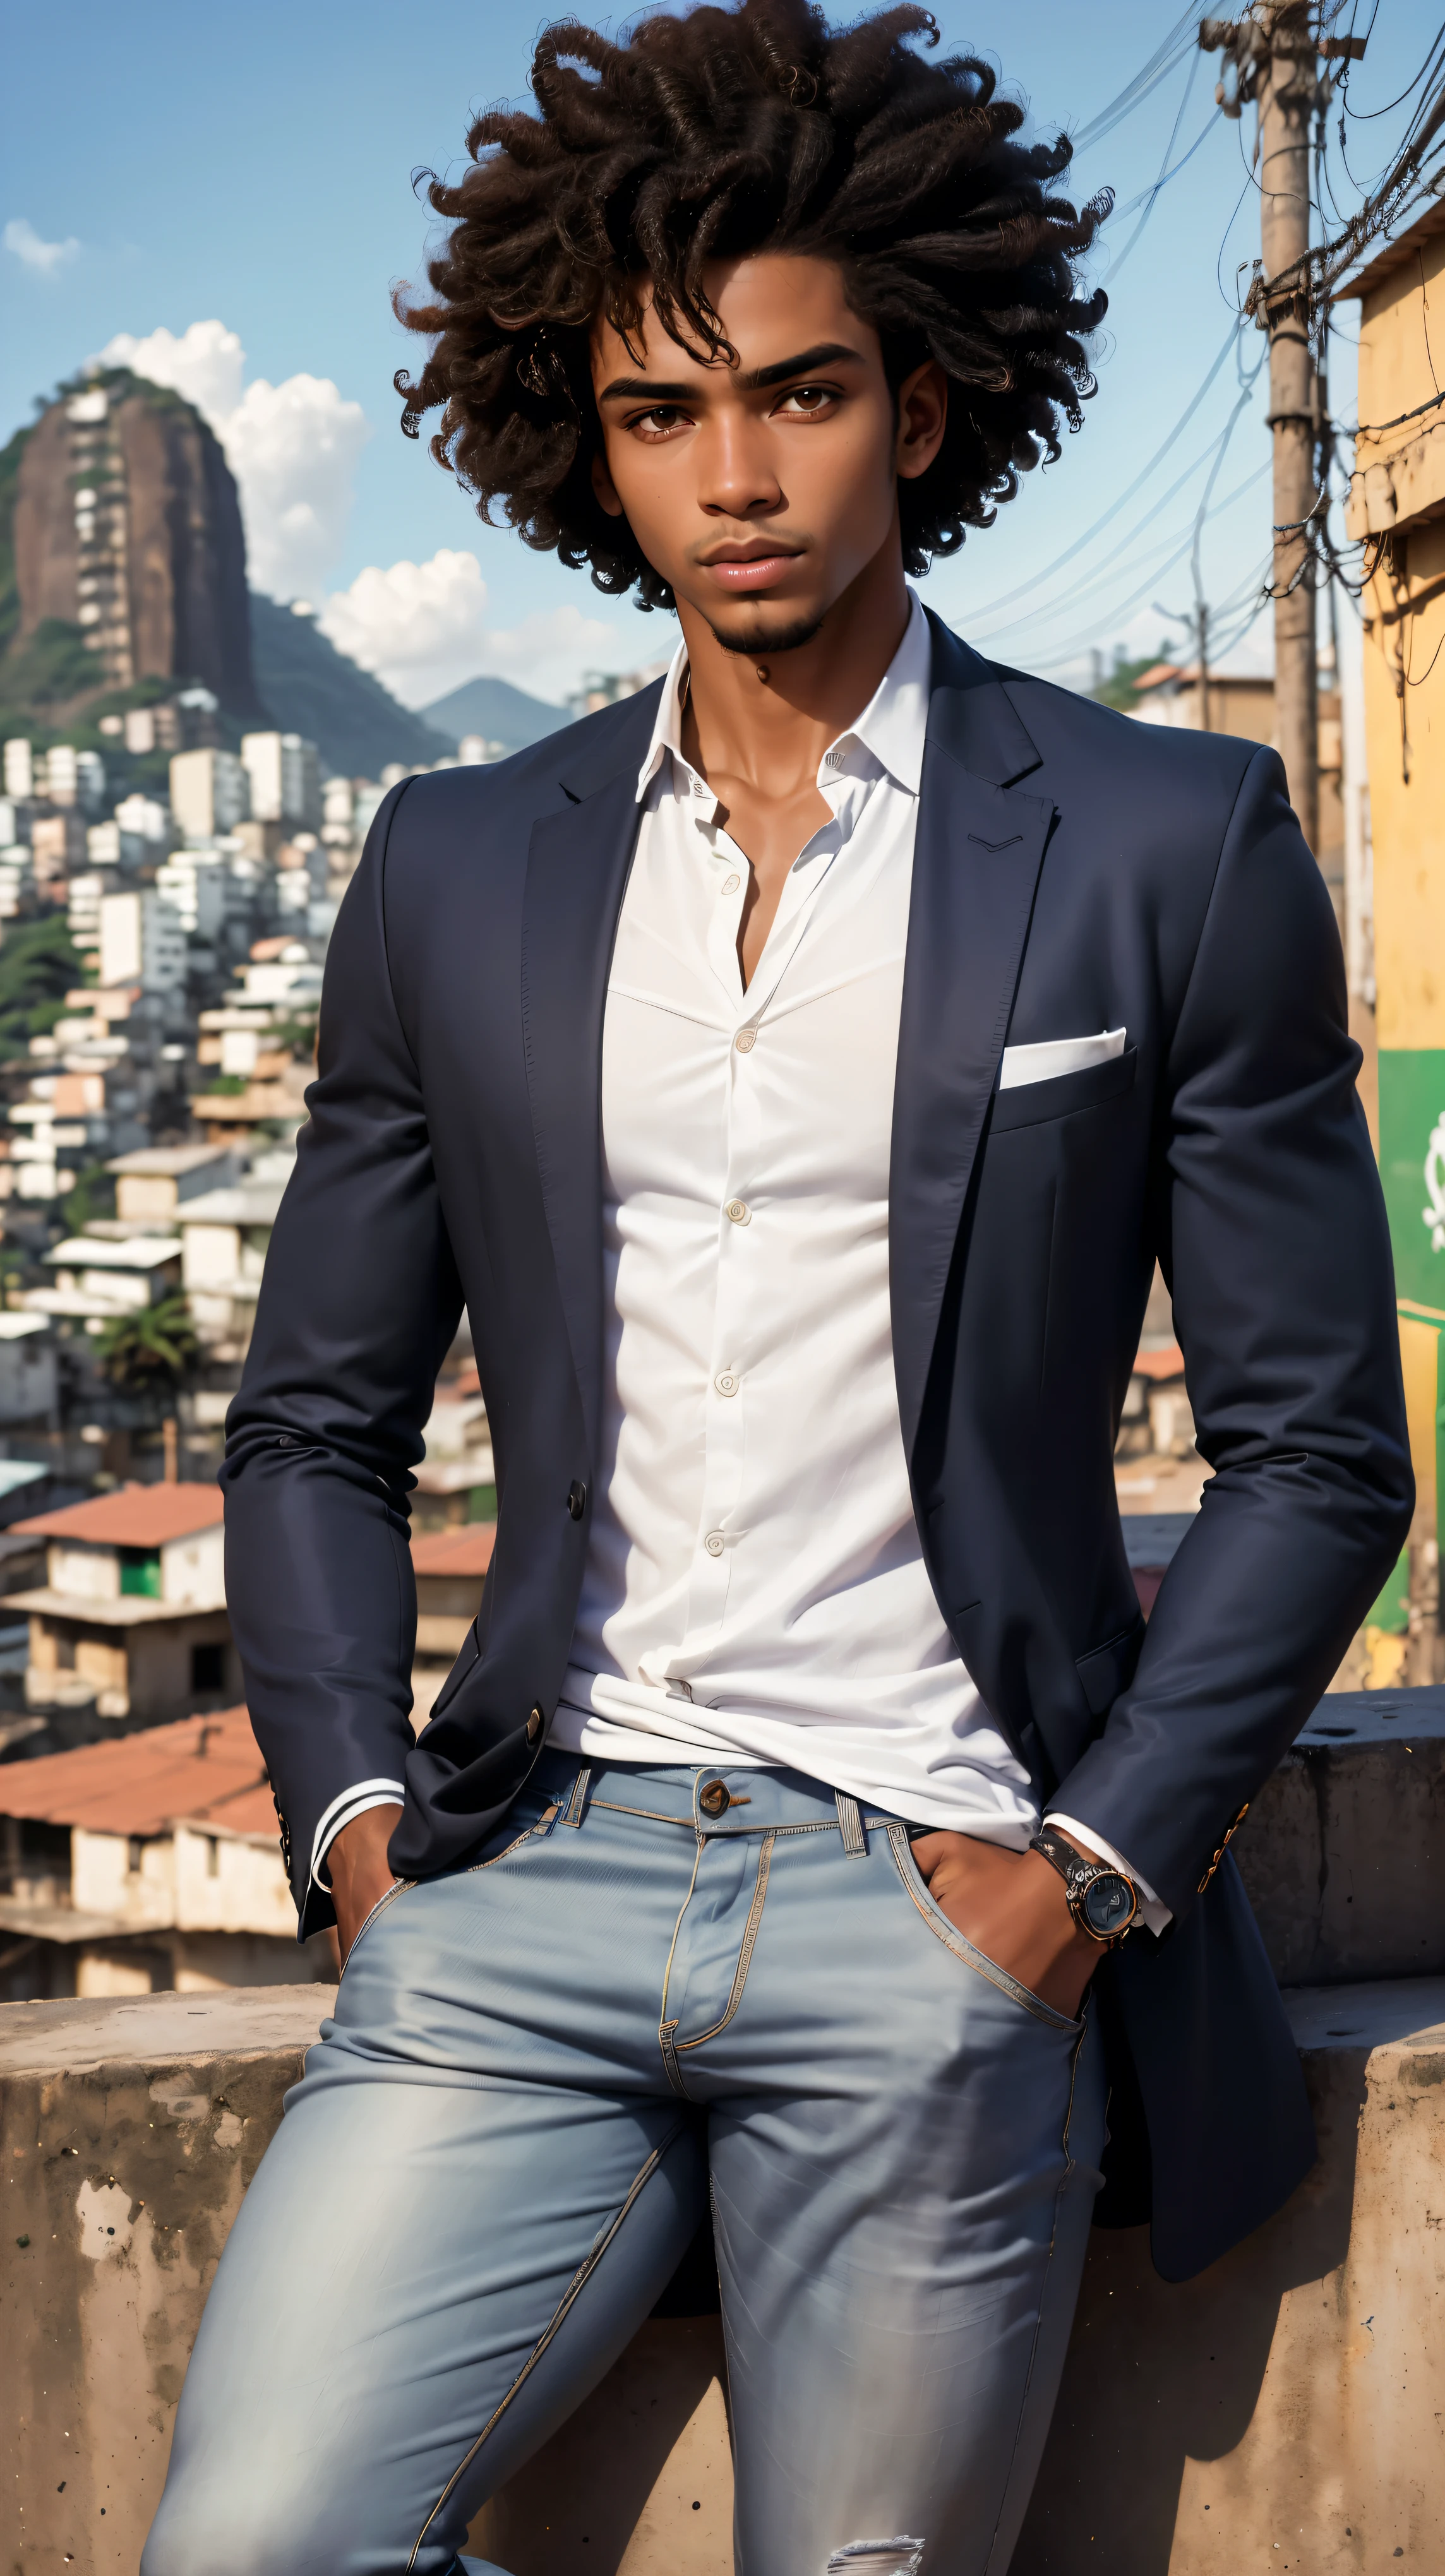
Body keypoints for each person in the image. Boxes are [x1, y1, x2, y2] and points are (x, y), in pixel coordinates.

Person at [142, 4, 1412, 2571]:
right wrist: (363, 1829)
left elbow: (1310, 1443)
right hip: (516, 1890)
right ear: (578, 449)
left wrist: (1078, 1876)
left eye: (799, 394)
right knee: (245, 2552)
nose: (731, 476)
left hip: (931, 1895)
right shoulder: (453, 865)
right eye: (655, 415)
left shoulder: (1166, 844)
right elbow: (311, 1423)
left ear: (919, 407)